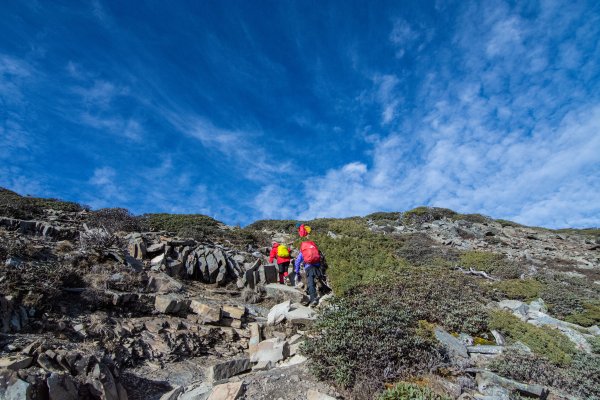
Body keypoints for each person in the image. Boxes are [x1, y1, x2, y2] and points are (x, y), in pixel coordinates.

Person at [294, 240, 321, 306]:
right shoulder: (314, 248)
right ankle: (321, 293)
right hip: (317, 267)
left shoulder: (303, 252)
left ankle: (313, 300)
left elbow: (297, 262)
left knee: (310, 283)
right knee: (319, 280)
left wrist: (297, 272)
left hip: (309, 267)